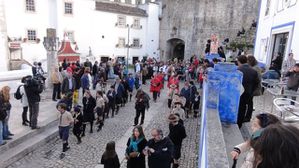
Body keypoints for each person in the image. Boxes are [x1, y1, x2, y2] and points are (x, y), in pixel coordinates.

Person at [237, 56, 260, 127]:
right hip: (248, 92)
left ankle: (236, 121)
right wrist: (251, 91)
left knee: (238, 107)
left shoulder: (238, 70)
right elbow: (257, 82)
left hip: (238, 92)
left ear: (239, 61)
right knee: (243, 108)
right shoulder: (253, 71)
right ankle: (240, 123)